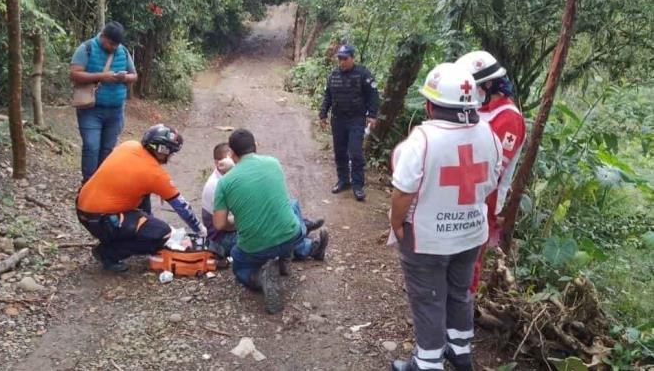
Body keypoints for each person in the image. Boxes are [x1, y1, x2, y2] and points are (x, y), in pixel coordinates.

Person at [389, 63, 502, 371]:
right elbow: (492, 181)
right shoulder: (489, 134)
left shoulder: (423, 140)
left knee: (428, 298)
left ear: (429, 104)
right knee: (460, 292)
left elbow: (403, 192)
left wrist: (396, 223)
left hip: (427, 239)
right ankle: (460, 349)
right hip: (469, 234)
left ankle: (427, 364)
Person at [212, 129, 329, 314]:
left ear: (232, 154)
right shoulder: (273, 163)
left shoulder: (224, 183)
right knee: (291, 206)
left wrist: (238, 222)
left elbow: (219, 224)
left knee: (238, 261)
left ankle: (259, 277)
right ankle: (297, 249)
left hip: (257, 249)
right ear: (256, 146)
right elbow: (253, 175)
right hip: (291, 237)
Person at [76, 124, 207, 272]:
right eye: (171, 152)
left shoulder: (129, 145)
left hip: (84, 209)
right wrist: (201, 230)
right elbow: (182, 207)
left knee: (144, 200)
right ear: (162, 150)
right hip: (101, 219)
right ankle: (108, 253)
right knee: (161, 233)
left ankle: (119, 236)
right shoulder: (155, 174)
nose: (171, 156)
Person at [455, 51, 526, 293]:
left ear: (487, 84)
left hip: (484, 199)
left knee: (469, 261)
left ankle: (463, 314)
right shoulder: (479, 108)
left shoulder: (508, 118)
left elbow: (491, 169)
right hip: (458, 193)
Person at [70, 21, 137, 184]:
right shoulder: (86, 48)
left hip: (115, 111)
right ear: (103, 36)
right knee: (91, 147)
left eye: (117, 44)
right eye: (111, 43)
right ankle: (88, 184)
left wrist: (124, 77)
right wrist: (101, 76)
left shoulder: (123, 52)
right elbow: (74, 74)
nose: (114, 47)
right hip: (91, 110)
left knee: (107, 149)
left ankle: (101, 183)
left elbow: (134, 75)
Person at [319, 44, 380, 201]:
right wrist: (323, 114)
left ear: (352, 58)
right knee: (340, 152)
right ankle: (343, 180)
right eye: (339, 58)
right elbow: (328, 96)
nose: (342, 62)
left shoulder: (363, 74)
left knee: (355, 152)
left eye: (345, 58)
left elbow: (373, 95)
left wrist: (372, 115)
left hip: (356, 119)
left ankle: (358, 185)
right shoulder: (333, 75)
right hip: (338, 119)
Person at [201, 142, 238, 259]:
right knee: (261, 237)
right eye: (228, 159)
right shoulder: (216, 185)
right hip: (221, 238)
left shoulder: (231, 176)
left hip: (230, 228)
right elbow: (223, 225)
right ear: (217, 163)